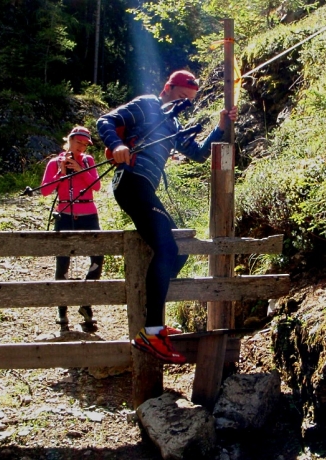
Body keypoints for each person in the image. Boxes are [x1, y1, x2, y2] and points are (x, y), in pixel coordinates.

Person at [97, 70, 238, 363]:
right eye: (180, 96)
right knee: (169, 247)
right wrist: (117, 145)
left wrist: (221, 126)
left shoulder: (172, 123)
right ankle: (151, 331)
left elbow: (198, 153)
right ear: (167, 88)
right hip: (132, 181)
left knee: (178, 252)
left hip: (144, 187)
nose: (184, 103)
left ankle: (154, 324)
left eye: (189, 100)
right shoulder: (148, 104)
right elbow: (105, 121)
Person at [40, 126, 104, 333]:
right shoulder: (53, 162)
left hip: (89, 213)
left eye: (85, 144)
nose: (81, 147)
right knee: (63, 262)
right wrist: (61, 172)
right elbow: (45, 191)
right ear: (69, 141)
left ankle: (85, 303)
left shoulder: (88, 161)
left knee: (97, 257)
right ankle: (62, 310)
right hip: (65, 214)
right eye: (78, 142)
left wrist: (79, 169)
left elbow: (96, 186)